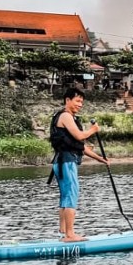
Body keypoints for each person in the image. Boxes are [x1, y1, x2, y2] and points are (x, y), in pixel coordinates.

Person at [50, 87, 109, 242]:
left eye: (82, 102)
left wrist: (100, 159)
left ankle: (63, 232)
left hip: (61, 162)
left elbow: (80, 146)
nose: (80, 104)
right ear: (67, 100)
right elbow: (79, 136)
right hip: (66, 162)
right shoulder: (66, 116)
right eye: (77, 101)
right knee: (71, 196)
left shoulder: (66, 117)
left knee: (65, 197)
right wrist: (93, 130)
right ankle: (70, 235)